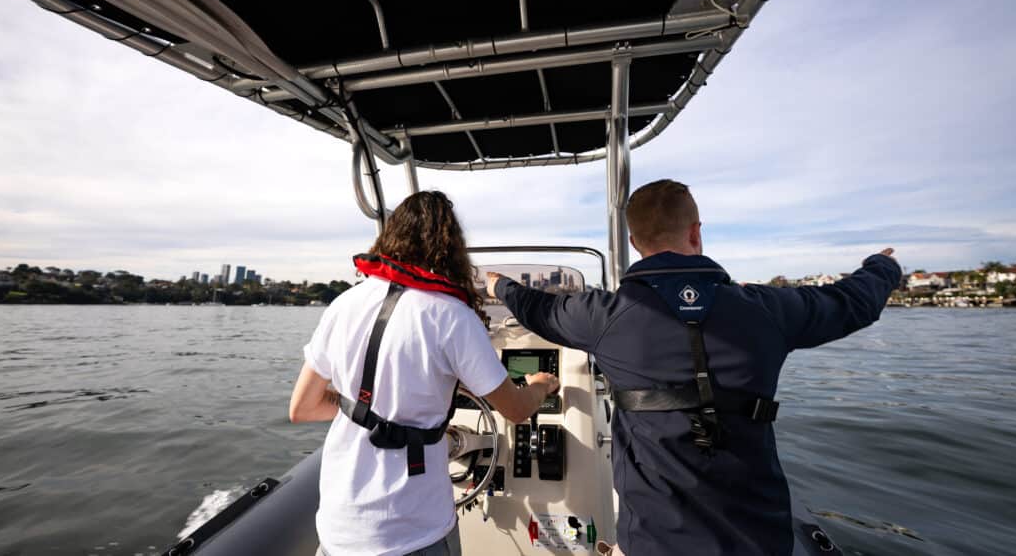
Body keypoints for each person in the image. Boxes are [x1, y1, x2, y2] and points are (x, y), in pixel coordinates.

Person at [487, 179, 902, 556]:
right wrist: (881, 266)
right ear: (695, 232)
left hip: (654, 542)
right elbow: (852, 302)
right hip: (758, 539)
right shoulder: (768, 309)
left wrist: (498, 286)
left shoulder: (603, 315)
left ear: (634, 242)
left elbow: (536, 308)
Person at [290, 191, 559, 556]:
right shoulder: (452, 316)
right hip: (413, 534)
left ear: (389, 237)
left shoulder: (343, 304)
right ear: (451, 247)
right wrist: (540, 386)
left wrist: (372, 411)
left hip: (339, 530)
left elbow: (303, 408)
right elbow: (515, 409)